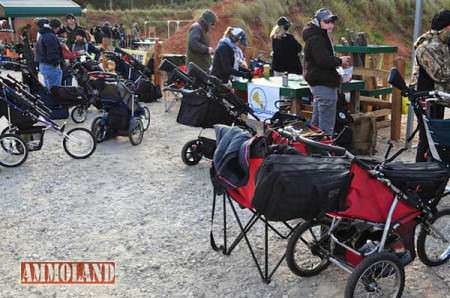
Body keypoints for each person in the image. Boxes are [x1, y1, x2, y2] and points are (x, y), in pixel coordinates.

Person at [302, 8, 352, 136]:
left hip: (319, 81)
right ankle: (323, 152)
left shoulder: (316, 35)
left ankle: (313, 149)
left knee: (316, 124)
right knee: (326, 128)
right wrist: (339, 61)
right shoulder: (317, 38)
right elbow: (322, 60)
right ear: (318, 22)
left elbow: (321, 60)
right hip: (323, 82)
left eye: (332, 21)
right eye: (327, 21)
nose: (330, 24)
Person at [412, 9, 450, 161]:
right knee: (428, 138)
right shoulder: (426, 46)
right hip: (426, 98)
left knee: (437, 139)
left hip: (438, 98)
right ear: (446, 27)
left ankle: (431, 174)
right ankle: (420, 177)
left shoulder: (443, 44)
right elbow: (440, 74)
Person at [35, 19, 64, 89]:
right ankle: (54, 100)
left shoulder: (42, 34)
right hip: (51, 66)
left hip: (43, 64)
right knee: (55, 89)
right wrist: (57, 63)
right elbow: (52, 52)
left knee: (48, 88)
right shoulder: (50, 36)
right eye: (59, 28)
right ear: (56, 27)